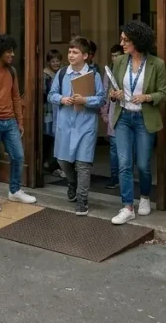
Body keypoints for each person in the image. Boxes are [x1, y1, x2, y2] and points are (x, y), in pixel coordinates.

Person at [108, 21, 166, 225]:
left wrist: (147, 97)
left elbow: (163, 93)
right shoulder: (119, 62)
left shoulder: (156, 64)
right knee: (124, 164)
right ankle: (127, 206)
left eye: (126, 40)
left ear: (138, 41)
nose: (122, 43)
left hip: (144, 118)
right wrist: (114, 95)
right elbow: (113, 90)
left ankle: (144, 196)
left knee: (143, 165)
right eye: (122, 39)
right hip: (123, 117)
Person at [0, 35, 37, 212]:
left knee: (18, 156)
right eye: (8, 51)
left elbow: (16, 97)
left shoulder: (12, 71)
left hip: (10, 122)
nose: (12, 54)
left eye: (12, 50)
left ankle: (15, 190)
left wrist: (19, 121)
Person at [49, 37, 105, 216]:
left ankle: (82, 200)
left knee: (83, 164)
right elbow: (52, 94)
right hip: (65, 124)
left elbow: (101, 99)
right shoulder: (63, 73)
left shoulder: (93, 75)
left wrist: (85, 100)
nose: (71, 55)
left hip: (85, 125)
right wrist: (62, 99)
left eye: (75, 52)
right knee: (63, 161)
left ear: (86, 56)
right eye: (70, 52)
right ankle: (72, 182)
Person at [42, 50, 63, 177]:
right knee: (49, 138)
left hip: (59, 109)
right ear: (49, 62)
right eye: (53, 61)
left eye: (57, 60)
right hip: (48, 111)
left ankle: (53, 164)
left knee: (57, 138)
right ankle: (49, 164)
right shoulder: (46, 75)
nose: (56, 63)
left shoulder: (62, 73)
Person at [106, 43, 123, 190]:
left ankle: (124, 175)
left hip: (126, 111)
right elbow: (106, 93)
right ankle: (114, 177)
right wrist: (104, 113)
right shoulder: (109, 71)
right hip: (112, 112)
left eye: (117, 55)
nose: (115, 58)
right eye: (113, 56)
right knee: (113, 147)